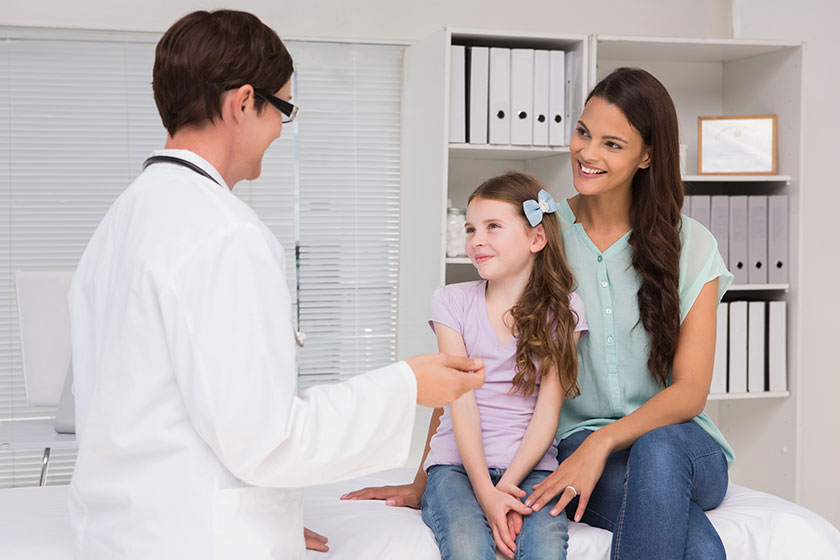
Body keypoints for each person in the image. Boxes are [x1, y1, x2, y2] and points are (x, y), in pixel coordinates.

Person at [66, 10, 484, 560]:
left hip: (129, 529)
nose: (281, 129)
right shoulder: (225, 233)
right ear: (242, 103)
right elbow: (266, 438)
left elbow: (160, 408)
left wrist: (262, 518)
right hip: (193, 541)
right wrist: (408, 386)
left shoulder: (124, 219)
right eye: (282, 108)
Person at [344, 67, 734, 560]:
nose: (588, 153)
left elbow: (691, 391)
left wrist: (602, 444)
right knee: (696, 544)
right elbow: (473, 360)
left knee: (658, 452)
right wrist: (426, 479)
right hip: (577, 447)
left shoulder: (692, 244)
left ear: (647, 156)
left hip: (683, 451)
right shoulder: (541, 237)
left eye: (613, 144)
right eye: (583, 132)